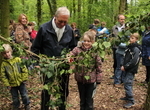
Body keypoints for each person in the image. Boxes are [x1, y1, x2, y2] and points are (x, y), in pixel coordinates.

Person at [31, 7, 76, 110]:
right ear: (55, 17)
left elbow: (73, 47)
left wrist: (71, 57)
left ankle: (62, 107)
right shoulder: (44, 28)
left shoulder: (69, 29)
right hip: (47, 66)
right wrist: (36, 63)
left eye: (65, 21)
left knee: (63, 89)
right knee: (47, 89)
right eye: (60, 21)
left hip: (63, 65)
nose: (63, 24)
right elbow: (35, 48)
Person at [67, 31, 102, 110]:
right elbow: (71, 55)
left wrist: (98, 78)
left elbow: (98, 65)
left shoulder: (94, 51)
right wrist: (69, 58)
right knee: (82, 99)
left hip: (91, 80)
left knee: (89, 100)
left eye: (88, 41)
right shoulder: (78, 49)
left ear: (92, 42)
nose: (86, 43)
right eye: (85, 41)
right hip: (80, 79)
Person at [0, 44, 30, 110]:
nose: (7, 54)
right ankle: (16, 106)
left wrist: (24, 79)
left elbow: (24, 69)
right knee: (15, 97)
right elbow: (3, 76)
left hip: (21, 82)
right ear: (2, 55)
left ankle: (26, 104)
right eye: (4, 53)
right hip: (12, 84)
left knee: (24, 95)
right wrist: (7, 84)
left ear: (11, 51)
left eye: (8, 52)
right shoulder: (4, 64)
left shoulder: (18, 60)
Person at [120, 33, 141, 108]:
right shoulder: (129, 47)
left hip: (131, 69)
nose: (130, 39)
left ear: (136, 39)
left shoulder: (136, 49)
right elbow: (124, 56)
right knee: (126, 82)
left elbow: (134, 61)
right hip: (126, 68)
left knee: (128, 83)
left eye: (133, 38)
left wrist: (126, 67)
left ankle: (131, 100)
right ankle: (127, 96)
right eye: (130, 38)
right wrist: (122, 64)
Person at [111, 14, 126, 80]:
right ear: (118, 20)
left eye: (123, 19)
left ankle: (122, 77)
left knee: (123, 62)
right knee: (116, 61)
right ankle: (115, 75)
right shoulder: (114, 27)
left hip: (123, 47)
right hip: (115, 47)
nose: (122, 20)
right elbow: (112, 36)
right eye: (121, 19)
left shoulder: (127, 27)